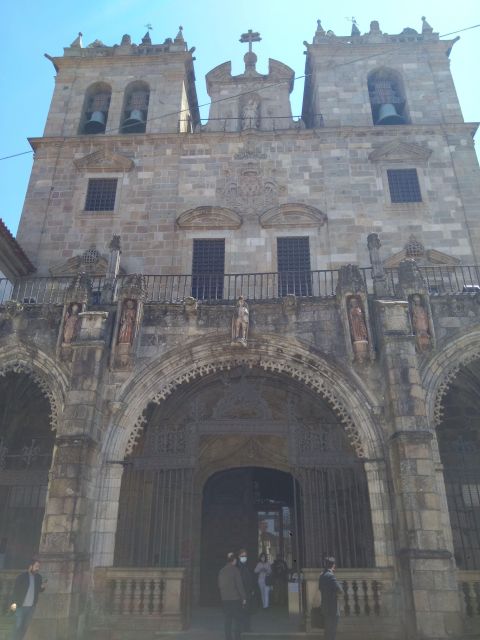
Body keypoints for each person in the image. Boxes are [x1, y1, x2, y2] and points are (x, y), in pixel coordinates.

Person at [9, 557, 46, 640]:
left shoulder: (38, 577)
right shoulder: (22, 577)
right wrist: (13, 606)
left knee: (25, 628)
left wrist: (43, 588)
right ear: (30, 566)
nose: (38, 568)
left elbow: (39, 590)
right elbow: (15, 592)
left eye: (39, 567)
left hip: (31, 608)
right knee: (17, 627)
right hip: (20, 607)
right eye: (36, 566)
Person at [218, 552, 246, 640]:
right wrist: (244, 597)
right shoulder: (235, 570)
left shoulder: (221, 571)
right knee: (237, 619)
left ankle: (228, 637)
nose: (236, 562)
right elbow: (239, 585)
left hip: (225, 599)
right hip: (235, 599)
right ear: (233, 561)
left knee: (227, 620)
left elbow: (219, 585)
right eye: (235, 561)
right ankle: (237, 637)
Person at [319, 557, 343, 640]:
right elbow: (340, 590)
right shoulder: (331, 576)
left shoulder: (321, 575)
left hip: (325, 606)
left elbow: (320, 588)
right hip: (332, 607)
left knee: (327, 631)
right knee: (332, 631)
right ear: (333, 565)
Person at [237, 548, 256, 632]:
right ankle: (243, 628)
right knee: (242, 611)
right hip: (242, 592)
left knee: (247, 611)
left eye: (245, 556)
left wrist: (251, 589)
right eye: (242, 556)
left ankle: (246, 628)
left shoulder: (246, 566)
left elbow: (249, 579)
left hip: (248, 592)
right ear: (239, 556)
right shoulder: (238, 567)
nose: (244, 557)